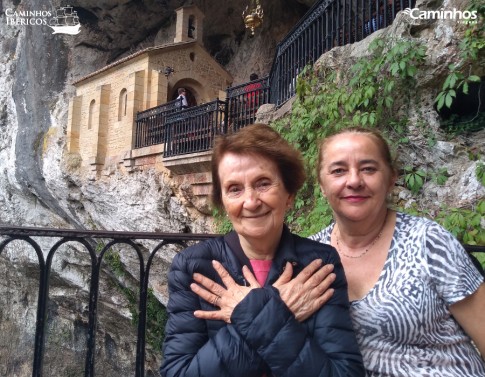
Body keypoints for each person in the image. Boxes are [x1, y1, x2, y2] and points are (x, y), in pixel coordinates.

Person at [160, 124, 364, 377]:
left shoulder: (319, 264)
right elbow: (178, 373)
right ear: (222, 202)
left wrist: (253, 314)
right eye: (234, 189)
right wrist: (279, 309)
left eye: (263, 183)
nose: (251, 201)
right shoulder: (193, 266)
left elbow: (344, 373)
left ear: (289, 195)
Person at [310, 126, 485, 376]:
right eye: (338, 170)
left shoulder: (428, 242)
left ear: (391, 178)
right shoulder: (309, 256)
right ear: (322, 184)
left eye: (368, 168)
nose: (354, 181)